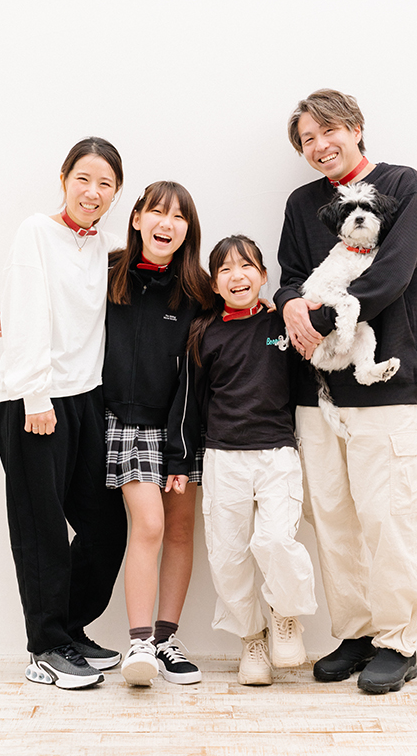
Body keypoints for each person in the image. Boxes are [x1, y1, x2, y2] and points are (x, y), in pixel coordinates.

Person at [274, 89, 417, 694]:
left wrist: (312, 319)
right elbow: (290, 276)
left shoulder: (401, 185)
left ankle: (397, 640)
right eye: (307, 140)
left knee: (388, 514)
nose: (319, 146)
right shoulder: (301, 204)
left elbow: (393, 272)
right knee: (332, 516)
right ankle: (357, 632)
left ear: (356, 127)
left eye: (328, 131)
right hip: (315, 387)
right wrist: (289, 304)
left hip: (383, 379)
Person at [0, 138, 128, 690]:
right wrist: (35, 396)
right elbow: (23, 310)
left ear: (116, 194)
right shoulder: (35, 231)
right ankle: (45, 648)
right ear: (65, 179)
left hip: (87, 398)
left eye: (105, 184)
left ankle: (69, 628)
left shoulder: (106, 247)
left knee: (106, 524)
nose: (92, 192)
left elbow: (157, 262)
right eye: (83, 179)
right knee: (42, 529)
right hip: (36, 403)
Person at [168, 235, 317, 686]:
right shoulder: (205, 333)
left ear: (264, 276)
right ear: (214, 284)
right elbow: (189, 402)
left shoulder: (280, 325)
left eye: (247, 266)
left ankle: (285, 616)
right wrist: (180, 460)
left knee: (274, 540)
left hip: (277, 453)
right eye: (226, 270)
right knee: (228, 555)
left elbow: (306, 381)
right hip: (223, 457)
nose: (238, 276)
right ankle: (252, 639)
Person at [103, 181, 214, 687]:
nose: (166, 224)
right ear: (137, 219)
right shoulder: (107, 272)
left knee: (181, 530)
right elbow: (55, 302)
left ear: (188, 230)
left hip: (182, 426)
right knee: (149, 525)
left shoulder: (199, 291)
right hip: (127, 422)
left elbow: (232, 336)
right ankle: (140, 643)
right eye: (156, 212)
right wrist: (13, 318)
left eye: (179, 217)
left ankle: (166, 640)